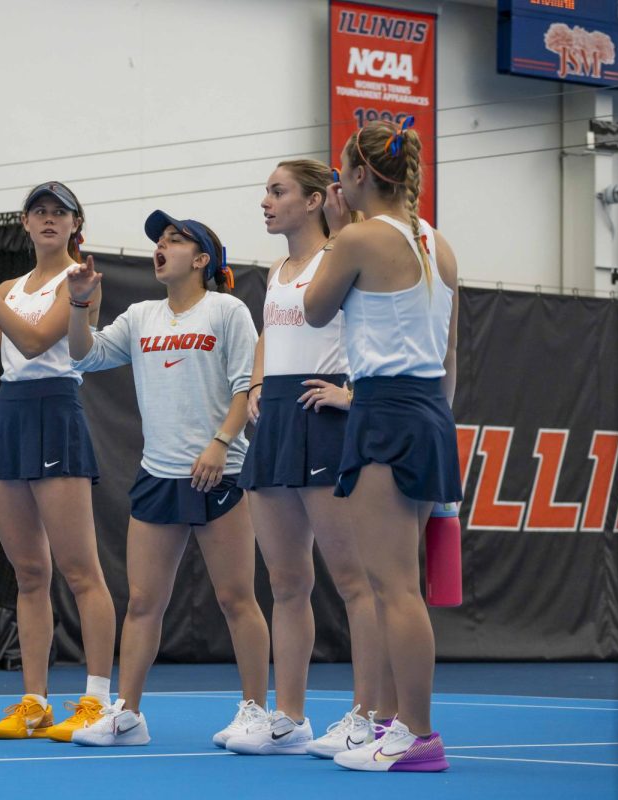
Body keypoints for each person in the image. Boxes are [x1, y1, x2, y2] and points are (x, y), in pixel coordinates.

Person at [63, 211, 271, 747]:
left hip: (218, 473)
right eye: (159, 239)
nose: (162, 246)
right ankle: (127, 714)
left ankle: (255, 710)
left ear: (201, 260)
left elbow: (247, 387)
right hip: (158, 475)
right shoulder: (139, 316)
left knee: (235, 599)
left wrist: (220, 445)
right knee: (142, 602)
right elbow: (83, 356)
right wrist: (80, 302)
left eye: (175, 240)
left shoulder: (227, 311)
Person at [304, 118, 460, 772]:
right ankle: (397, 724)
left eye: (342, 175)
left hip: (388, 411)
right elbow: (446, 350)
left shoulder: (359, 237)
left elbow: (314, 310)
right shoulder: (438, 243)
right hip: (425, 410)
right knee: (399, 583)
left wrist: (338, 230)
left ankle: (417, 735)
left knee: (392, 586)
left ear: (361, 176)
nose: (337, 185)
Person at [0, 181, 117, 741]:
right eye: (38, 211)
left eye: (58, 212)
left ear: (74, 224)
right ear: (25, 221)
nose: (47, 219)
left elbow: (38, 342)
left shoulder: (82, 280)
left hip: (56, 409)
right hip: (10, 415)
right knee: (29, 573)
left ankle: (97, 700)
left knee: (81, 570)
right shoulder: (9, 286)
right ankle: (35, 701)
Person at [225, 160, 385, 757]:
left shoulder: (344, 256)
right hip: (277, 425)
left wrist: (353, 395)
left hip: (328, 419)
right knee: (287, 581)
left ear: (317, 200)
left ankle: (367, 716)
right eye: (265, 190)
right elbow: (272, 333)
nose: (264, 201)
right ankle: (289, 717)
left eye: (278, 191)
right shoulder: (278, 269)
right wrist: (259, 383)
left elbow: (378, 333)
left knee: (354, 581)